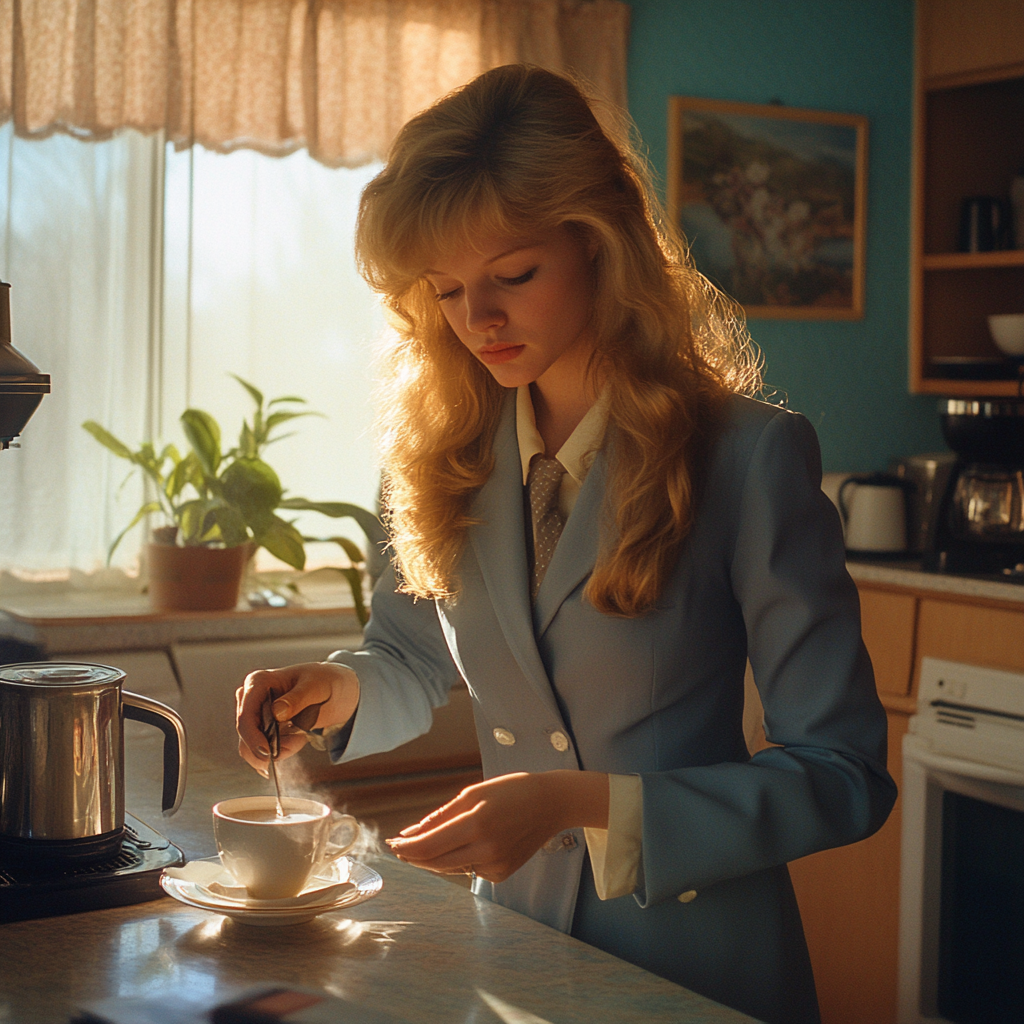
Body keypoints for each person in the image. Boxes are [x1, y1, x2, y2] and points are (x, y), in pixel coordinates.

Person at [236, 64, 895, 1024]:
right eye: (450, 290)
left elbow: (844, 776)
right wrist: (329, 690)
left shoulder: (748, 458)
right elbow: (409, 658)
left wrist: (585, 806)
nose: (480, 320)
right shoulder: (437, 460)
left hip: (701, 971)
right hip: (510, 957)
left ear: (601, 246)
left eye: (514, 276)